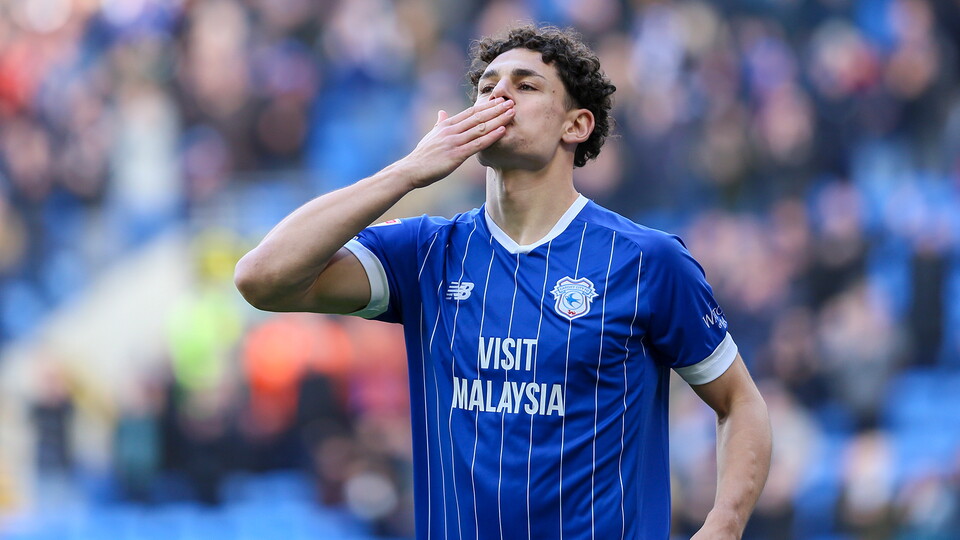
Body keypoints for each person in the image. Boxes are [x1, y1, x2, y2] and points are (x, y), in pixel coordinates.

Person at [235, 24, 772, 540]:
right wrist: (406, 172)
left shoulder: (647, 261)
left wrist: (723, 526)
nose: (498, 96)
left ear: (576, 125)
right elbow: (262, 278)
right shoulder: (425, 253)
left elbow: (740, 403)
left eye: (526, 85)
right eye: (486, 87)